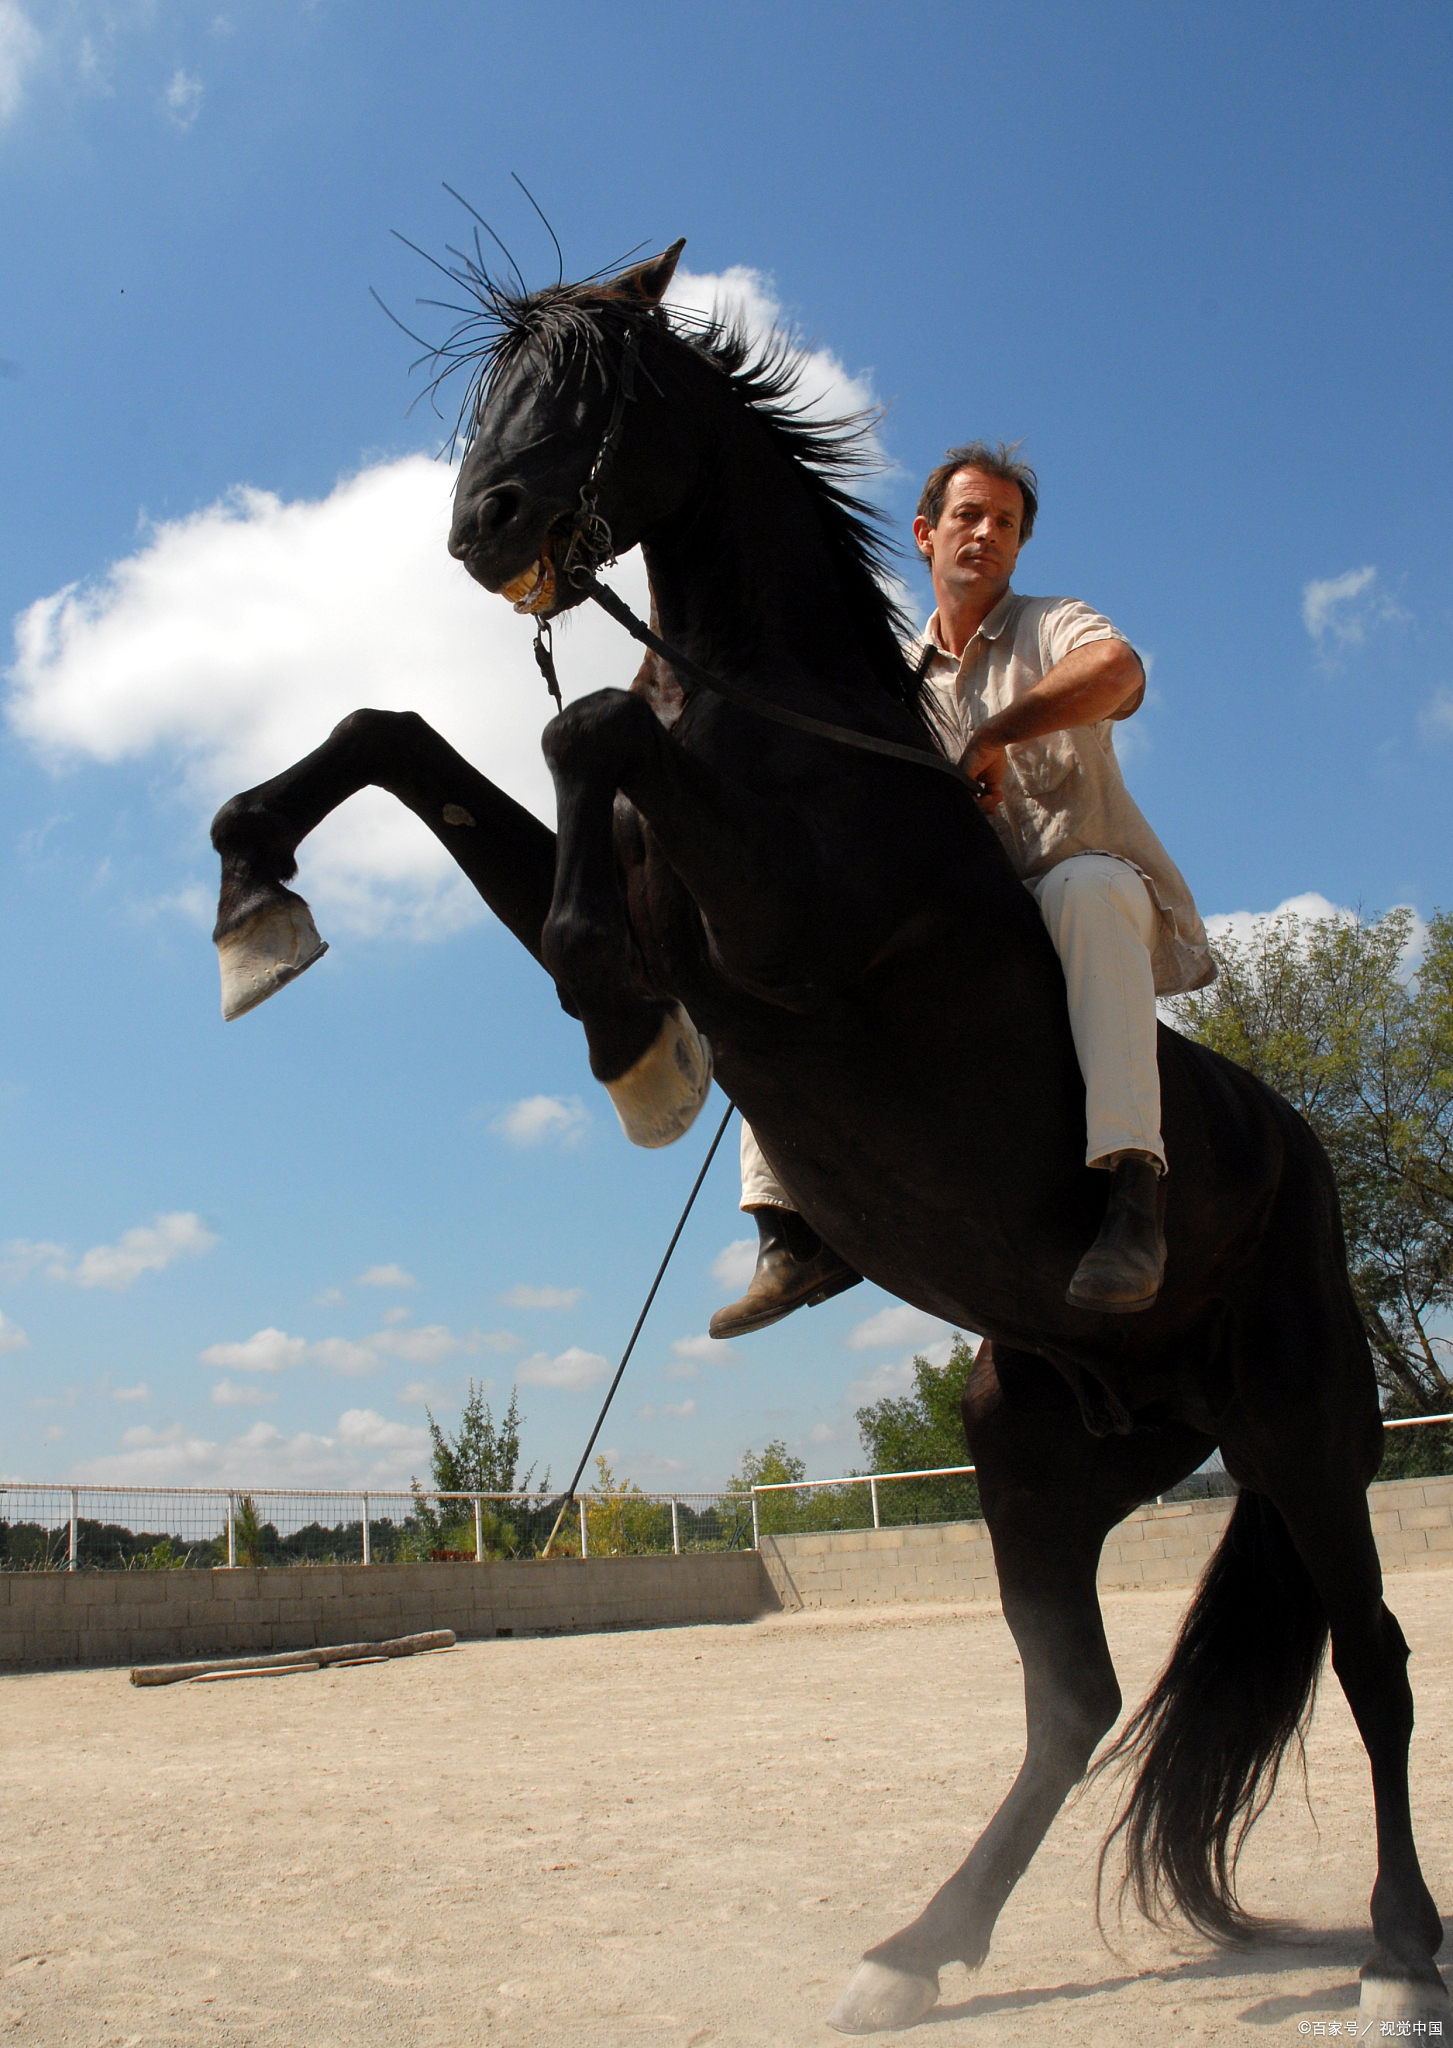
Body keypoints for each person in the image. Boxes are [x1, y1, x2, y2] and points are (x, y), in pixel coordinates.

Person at [709, 442, 1213, 1340]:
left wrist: (992, 733)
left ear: (1019, 548)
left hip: (1092, 886)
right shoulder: (890, 679)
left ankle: (1134, 1194)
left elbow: (1118, 674)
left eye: (1005, 524)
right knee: (787, 957)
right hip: (975, 925)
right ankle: (788, 1231)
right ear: (923, 534)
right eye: (967, 517)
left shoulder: (1054, 622)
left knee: (1083, 888)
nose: (986, 534)